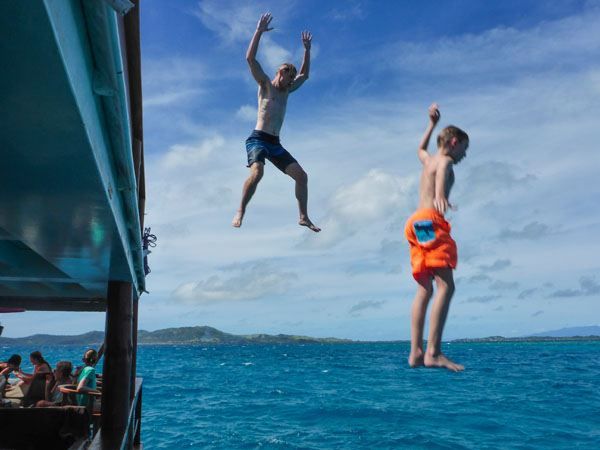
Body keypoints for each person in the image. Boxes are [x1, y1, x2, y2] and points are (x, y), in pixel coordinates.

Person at [232, 12, 320, 232]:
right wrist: (258, 32)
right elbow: (250, 59)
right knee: (258, 172)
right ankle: (241, 209)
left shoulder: (286, 91)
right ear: (279, 73)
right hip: (258, 140)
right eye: (287, 78)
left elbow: (305, 75)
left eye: (291, 80)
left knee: (302, 176)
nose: (289, 83)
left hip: (275, 143)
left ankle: (303, 216)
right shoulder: (265, 86)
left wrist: (307, 51)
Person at [404, 103, 469, 372]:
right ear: (454, 142)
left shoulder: (427, 159)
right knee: (446, 286)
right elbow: (444, 166)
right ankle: (433, 352)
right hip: (430, 219)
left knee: (425, 288)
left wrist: (430, 125)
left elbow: (420, 149)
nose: (464, 155)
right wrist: (441, 193)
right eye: (464, 148)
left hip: (415, 221)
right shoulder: (444, 160)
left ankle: (416, 352)